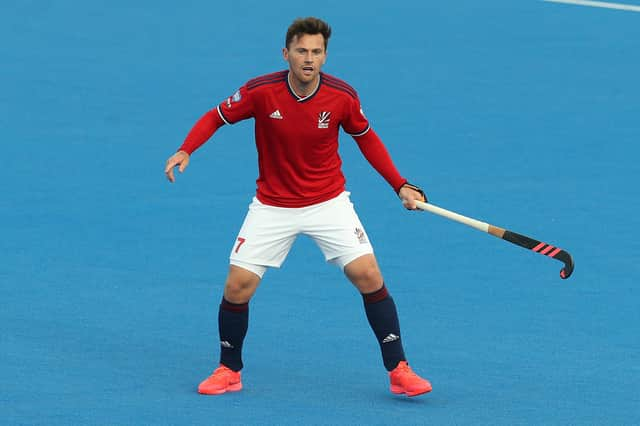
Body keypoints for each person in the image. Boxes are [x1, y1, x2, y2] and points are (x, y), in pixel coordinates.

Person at [164, 17, 432, 398]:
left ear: (325, 56)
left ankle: (399, 370)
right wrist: (185, 149)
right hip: (273, 205)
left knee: (368, 276)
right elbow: (216, 116)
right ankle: (229, 370)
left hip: (328, 202)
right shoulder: (260, 91)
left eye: (317, 52)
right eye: (302, 51)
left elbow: (367, 139)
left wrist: (400, 185)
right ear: (286, 53)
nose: (309, 59)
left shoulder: (342, 96)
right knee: (237, 287)